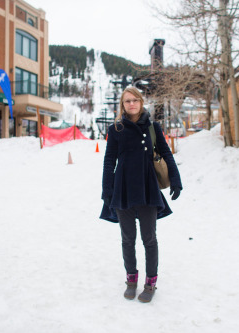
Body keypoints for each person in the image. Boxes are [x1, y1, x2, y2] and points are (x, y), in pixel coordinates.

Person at [100, 87, 182, 303]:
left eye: (135, 100)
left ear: (141, 102)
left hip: (148, 189)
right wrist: (107, 190)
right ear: (122, 104)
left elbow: (166, 154)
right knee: (127, 239)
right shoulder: (116, 129)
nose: (132, 104)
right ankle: (131, 280)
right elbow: (109, 161)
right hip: (123, 190)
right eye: (127, 101)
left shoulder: (152, 127)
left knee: (149, 239)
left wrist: (176, 179)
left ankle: (151, 282)